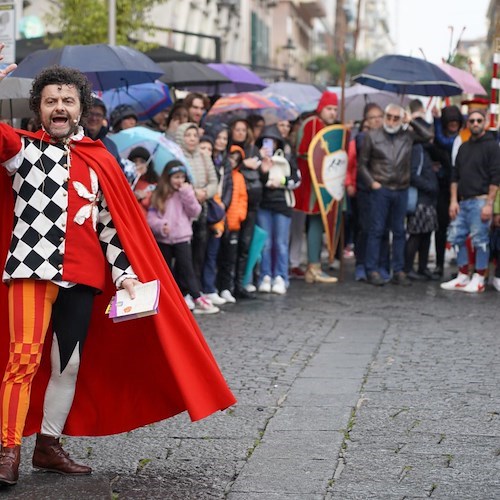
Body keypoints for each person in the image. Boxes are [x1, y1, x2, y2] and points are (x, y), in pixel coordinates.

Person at [0, 61, 235, 486]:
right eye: (50, 100)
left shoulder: (98, 159)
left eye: (67, 100)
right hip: (30, 272)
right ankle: (7, 451)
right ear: (38, 108)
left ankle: (48, 448)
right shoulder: (21, 149)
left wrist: (125, 275)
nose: (59, 106)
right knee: (23, 360)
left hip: (83, 277)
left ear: (80, 108)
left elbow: (111, 226)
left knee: (66, 367)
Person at [357, 103, 433, 286]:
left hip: (401, 188)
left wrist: (411, 121)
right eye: (388, 117)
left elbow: (428, 136)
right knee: (377, 230)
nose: (391, 121)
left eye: (395, 118)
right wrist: (372, 183)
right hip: (381, 188)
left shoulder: (407, 135)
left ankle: (399, 270)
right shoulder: (372, 136)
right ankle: (372, 270)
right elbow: (362, 164)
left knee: (399, 231)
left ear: (401, 119)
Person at [440, 109, 500, 293]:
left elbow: (495, 177)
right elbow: (454, 176)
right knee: (456, 238)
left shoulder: (492, 146)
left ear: (484, 123)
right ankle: (463, 275)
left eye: (478, 120)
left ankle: (480, 278)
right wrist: (453, 201)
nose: (475, 123)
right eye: (472, 120)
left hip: (481, 201)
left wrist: (489, 203)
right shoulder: (463, 147)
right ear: (467, 123)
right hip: (462, 201)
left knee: (480, 241)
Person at [147, 160, 218, 314]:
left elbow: (195, 212)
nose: (179, 181)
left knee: (186, 269)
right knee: (165, 271)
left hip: (182, 237)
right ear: (168, 177)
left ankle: (194, 296)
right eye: (176, 177)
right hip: (163, 238)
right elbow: (151, 218)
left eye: (182, 177)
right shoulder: (159, 193)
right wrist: (161, 225)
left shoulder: (186, 193)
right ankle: (168, 299)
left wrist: (187, 194)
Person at [294, 91, 340, 284]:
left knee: (318, 223)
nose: (332, 113)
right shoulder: (313, 124)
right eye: (329, 109)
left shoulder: (327, 127)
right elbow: (305, 152)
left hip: (322, 183)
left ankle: (315, 266)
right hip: (312, 183)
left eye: (335, 110)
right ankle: (313, 267)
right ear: (321, 108)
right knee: (314, 221)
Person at [256, 124, 300, 295]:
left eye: (273, 142)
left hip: (282, 205)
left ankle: (281, 276)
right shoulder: (258, 158)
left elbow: (296, 179)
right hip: (264, 204)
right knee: (265, 244)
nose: (270, 145)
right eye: (266, 141)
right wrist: (263, 169)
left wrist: (280, 181)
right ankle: (265, 275)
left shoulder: (287, 158)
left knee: (280, 243)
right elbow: (254, 180)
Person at [175, 122, 218, 283]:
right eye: (188, 135)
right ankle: (183, 289)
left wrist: (205, 192)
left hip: (202, 206)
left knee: (200, 249)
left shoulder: (204, 157)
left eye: (194, 135)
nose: (192, 139)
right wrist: (192, 192)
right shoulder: (177, 156)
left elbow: (214, 181)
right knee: (184, 253)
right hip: (183, 209)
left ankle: (196, 288)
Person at [202, 124, 233, 305]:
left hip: (219, 210)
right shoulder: (208, 161)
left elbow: (228, 186)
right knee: (205, 253)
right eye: (219, 138)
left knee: (216, 252)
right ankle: (206, 288)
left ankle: (212, 287)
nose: (222, 142)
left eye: (224, 139)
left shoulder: (224, 161)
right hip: (209, 208)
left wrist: (222, 207)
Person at [431, 105, 464, 279]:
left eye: (455, 121)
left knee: (462, 230)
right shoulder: (438, 141)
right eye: (449, 121)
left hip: (461, 189)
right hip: (443, 189)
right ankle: (438, 264)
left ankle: (462, 267)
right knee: (441, 228)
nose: (453, 124)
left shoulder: (463, 139)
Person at [217, 146, 248, 303]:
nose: (233, 161)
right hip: (221, 220)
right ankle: (217, 286)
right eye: (231, 157)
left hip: (234, 222)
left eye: (236, 159)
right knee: (217, 256)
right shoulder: (223, 174)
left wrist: (240, 215)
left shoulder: (240, 177)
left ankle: (226, 287)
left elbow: (243, 198)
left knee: (230, 258)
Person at [127, 146, 158, 216]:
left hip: (142, 219)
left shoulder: (154, 182)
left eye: (142, 161)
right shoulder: (126, 177)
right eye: (134, 161)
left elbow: (156, 205)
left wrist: (145, 196)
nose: (138, 164)